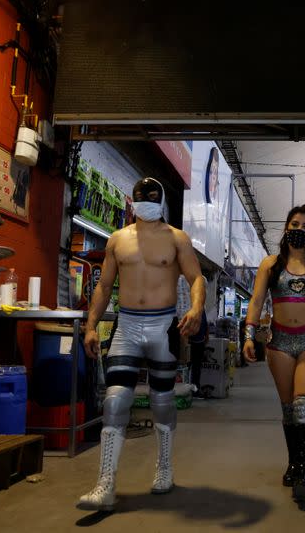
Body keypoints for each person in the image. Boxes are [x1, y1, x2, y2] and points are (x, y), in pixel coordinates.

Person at [78, 176, 204, 511]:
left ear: (161, 199)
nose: (145, 198)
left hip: (164, 326)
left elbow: (196, 278)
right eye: (140, 195)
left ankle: (164, 467)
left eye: (151, 194)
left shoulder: (178, 239)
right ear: (132, 199)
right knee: (115, 402)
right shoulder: (118, 240)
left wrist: (196, 307)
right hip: (128, 325)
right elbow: (104, 286)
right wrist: (91, 326)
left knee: (162, 402)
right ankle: (105, 484)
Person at [242, 204, 305, 504]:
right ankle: (293, 462)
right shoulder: (270, 265)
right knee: (289, 410)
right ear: (286, 227)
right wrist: (249, 336)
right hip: (279, 344)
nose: (299, 230)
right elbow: (257, 300)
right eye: (295, 224)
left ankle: (303, 473)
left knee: (304, 408)